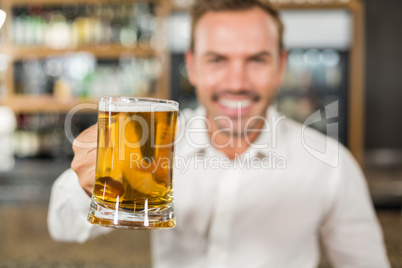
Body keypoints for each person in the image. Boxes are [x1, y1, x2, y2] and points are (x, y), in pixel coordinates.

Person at [48, 0, 390, 267]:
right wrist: (89, 185)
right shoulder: (150, 146)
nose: (237, 82)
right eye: (217, 60)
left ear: (280, 67)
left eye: (256, 59)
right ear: (193, 66)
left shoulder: (330, 165)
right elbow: (62, 227)